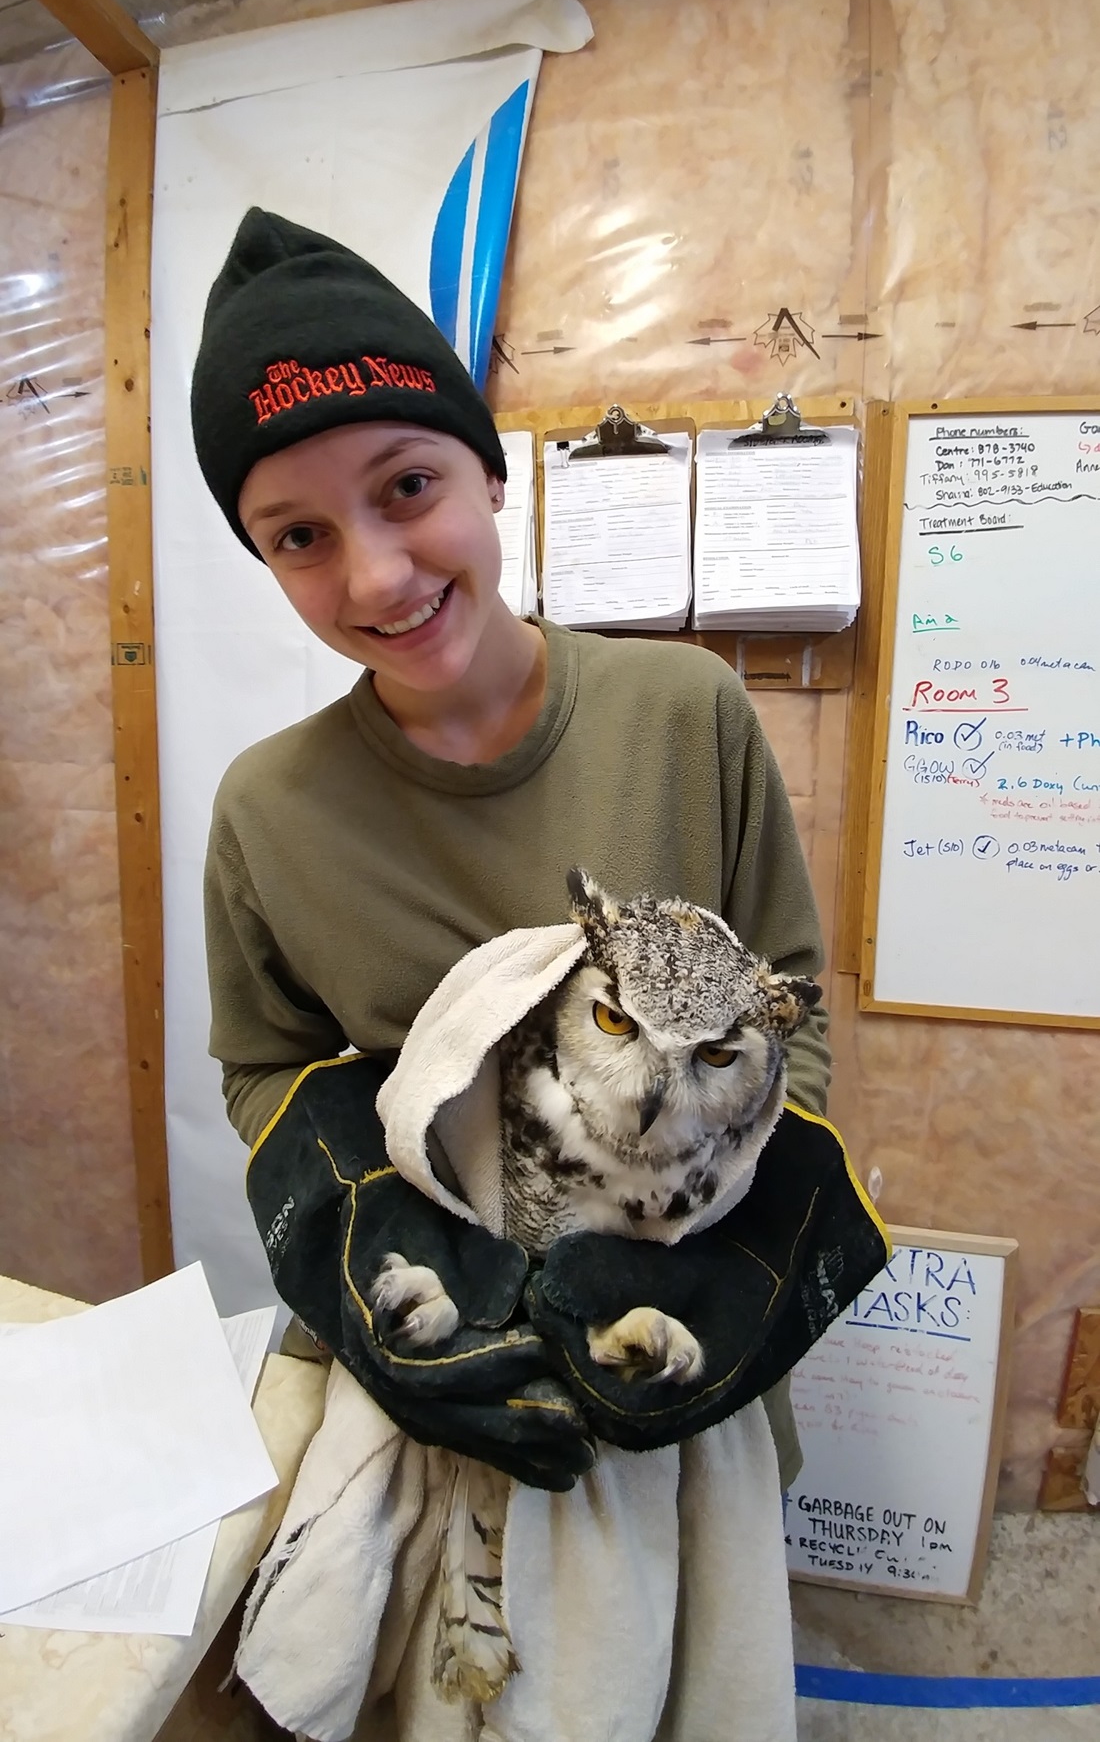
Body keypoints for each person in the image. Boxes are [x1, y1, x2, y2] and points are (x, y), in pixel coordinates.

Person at [192, 209, 879, 1737]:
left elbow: (789, 1009)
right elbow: (264, 1066)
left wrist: (716, 1274)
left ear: (490, 476)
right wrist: (357, 1256)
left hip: (673, 1331)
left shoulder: (684, 715)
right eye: (298, 535)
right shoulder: (269, 810)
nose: (374, 571)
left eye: (410, 487)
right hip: (435, 1351)